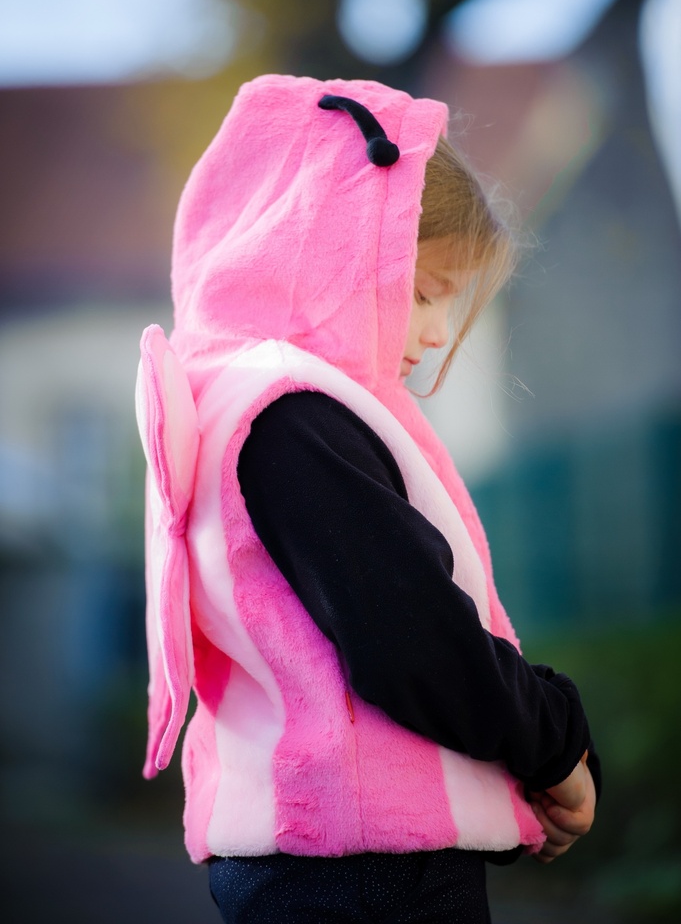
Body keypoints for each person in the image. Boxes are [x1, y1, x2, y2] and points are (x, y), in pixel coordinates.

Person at [135, 74, 598, 923]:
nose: (431, 332)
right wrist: (554, 740)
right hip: (369, 874)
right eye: (423, 292)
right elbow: (411, 634)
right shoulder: (293, 416)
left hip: (305, 861)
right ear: (328, 253)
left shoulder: (234, 405)